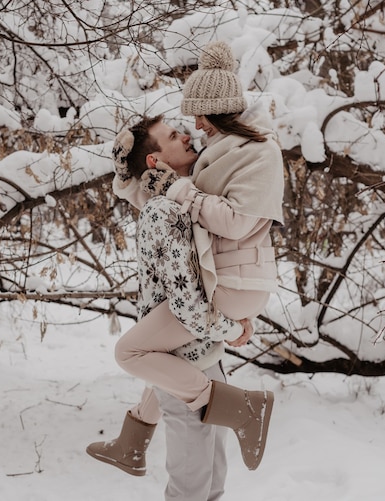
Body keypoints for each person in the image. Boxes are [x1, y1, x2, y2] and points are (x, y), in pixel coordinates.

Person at [87, 40, 284, 489]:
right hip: (219, 286)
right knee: (175, 363)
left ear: (215, 112)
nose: (191, 128)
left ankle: (238, 411)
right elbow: (163, 200)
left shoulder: (252, 154)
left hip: (225, 285)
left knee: (138, 355)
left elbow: (197, 209)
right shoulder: (208, 163)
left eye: (194, 119)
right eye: (179, 131)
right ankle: (134, 440)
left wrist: (227, 325)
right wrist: (128, 171)